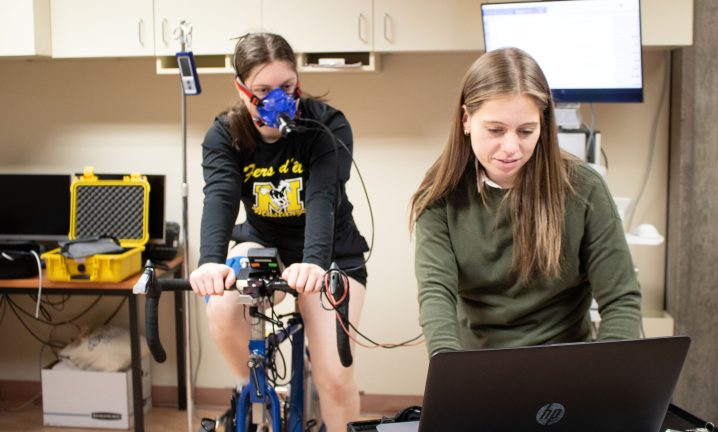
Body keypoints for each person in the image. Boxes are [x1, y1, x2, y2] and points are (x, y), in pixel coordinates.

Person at [408, 48, 642, 357]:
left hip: (568, 367)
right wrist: (450, 369)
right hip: (479, 366)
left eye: (526, 131)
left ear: (542, 125)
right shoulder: (439, 196)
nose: (510, 147)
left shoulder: (584, 188)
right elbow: (436, 296)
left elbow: (621, 299)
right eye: (495, 130)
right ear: (466, 119)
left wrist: (605, 376)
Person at [190, 33, 369, 432]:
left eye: (286, 87)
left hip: (330, 250)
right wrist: (209, 263)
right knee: (220, 305)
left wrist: (314, 264)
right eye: (263, 90)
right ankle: (255, 388)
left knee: (335, 380)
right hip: (264, 242)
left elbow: (323, 196)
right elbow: (220, 197)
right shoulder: (224, 135)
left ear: (298, 81)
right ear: (241, 90)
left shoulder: (326, 126)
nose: (278, 98)